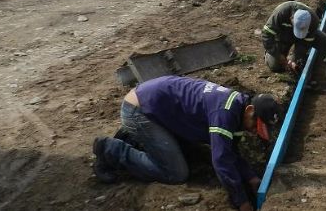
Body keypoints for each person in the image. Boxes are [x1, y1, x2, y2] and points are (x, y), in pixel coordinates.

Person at [92, 76, 282, 211]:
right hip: (139, 111)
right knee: (175, 172)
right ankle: (110, 149)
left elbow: (230, 150)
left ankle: (137, 137)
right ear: (250, 110)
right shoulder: (224, 114)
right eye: (255, 126)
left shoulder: (237, 108)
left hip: (158, 109)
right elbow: (222, 161)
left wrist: (251, 178)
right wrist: (242, 202)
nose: (253, 131)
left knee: (190, 153)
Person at [261, 1, 326, 91]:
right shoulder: (280, 13)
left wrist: (295, 60)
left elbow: (304, 45)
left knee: (324, 40)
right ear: (291, 18)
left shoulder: (313, 20)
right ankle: (269, 55)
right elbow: (266, 35)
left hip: (305, 36)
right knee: (274, 65)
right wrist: (278, 55)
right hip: (284, 34)